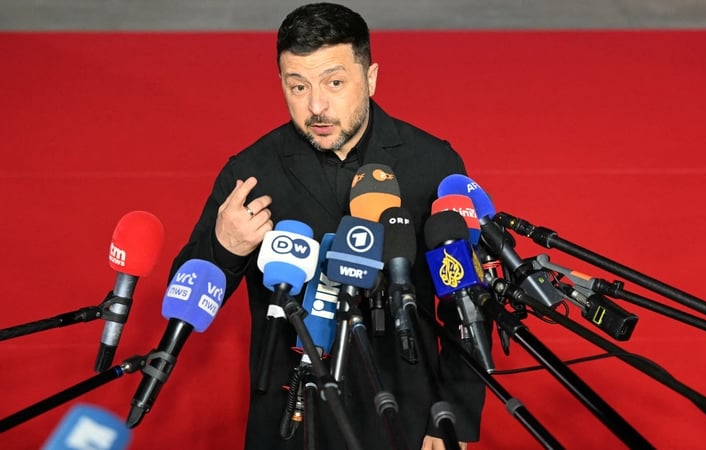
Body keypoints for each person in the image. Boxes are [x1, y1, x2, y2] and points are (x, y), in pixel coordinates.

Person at [171, 3, 485, 449]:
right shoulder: (252, 172)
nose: (316, 106)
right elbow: (188, 293)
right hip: (291, 413)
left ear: (371, 78)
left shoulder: (431, 164)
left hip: (405, 408)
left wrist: (455, 413)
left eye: (334, 83)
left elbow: (463, 300)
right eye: (297, 86)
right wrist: (224, 246)